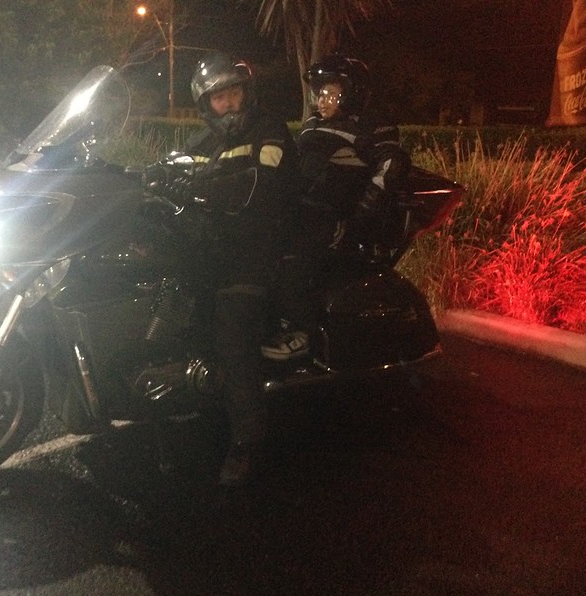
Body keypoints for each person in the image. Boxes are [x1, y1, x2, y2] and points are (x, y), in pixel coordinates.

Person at [176, 52, 298, 485]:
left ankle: (247, 440)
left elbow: (264, 182)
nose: (228, 102)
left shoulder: (269, 131)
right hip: (211, 250)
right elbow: (172, 169)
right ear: (206, 105)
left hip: (256, 250)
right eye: (218, 97)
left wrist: (204, 188)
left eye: (233, 92)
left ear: (246, 93)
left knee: (232, 334)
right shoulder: (202, 143)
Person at [261, 53, 411, 361]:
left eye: (331, 93)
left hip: (334, 214)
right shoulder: (312, 125)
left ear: (352, 93)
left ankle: (303, 332)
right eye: (320, 94)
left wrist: (361, 214)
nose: (322, 100)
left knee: (293, 257)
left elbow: (391, 167)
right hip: (299, 207)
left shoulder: (371, 127)